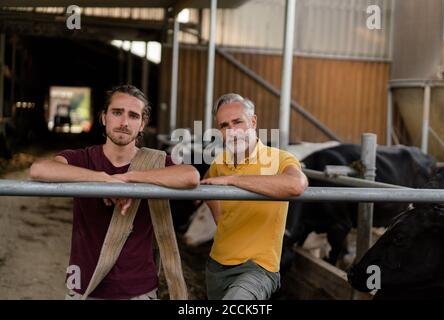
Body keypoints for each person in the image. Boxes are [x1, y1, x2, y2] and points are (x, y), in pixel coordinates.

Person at [30, 85, 200, 300]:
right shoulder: (84, 159)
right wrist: (103, 180)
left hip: (138, 289)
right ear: (104, 118)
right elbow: (39, 169)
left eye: (133, 116)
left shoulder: (156, 162)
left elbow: (191, 176)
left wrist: (130, 179)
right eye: (117, 112)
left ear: (142, 124)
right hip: (86, 285)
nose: (124, 122)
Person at [201, 93, 308, 300]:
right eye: (224, 126)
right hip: (216, 265)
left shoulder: (279, 159)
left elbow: (296, 185)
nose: (231, 131)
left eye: (237, 122)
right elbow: (206, 184)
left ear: (253, 121)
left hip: (257, 269)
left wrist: (234, 180)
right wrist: (220, 218)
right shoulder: (219, 164)